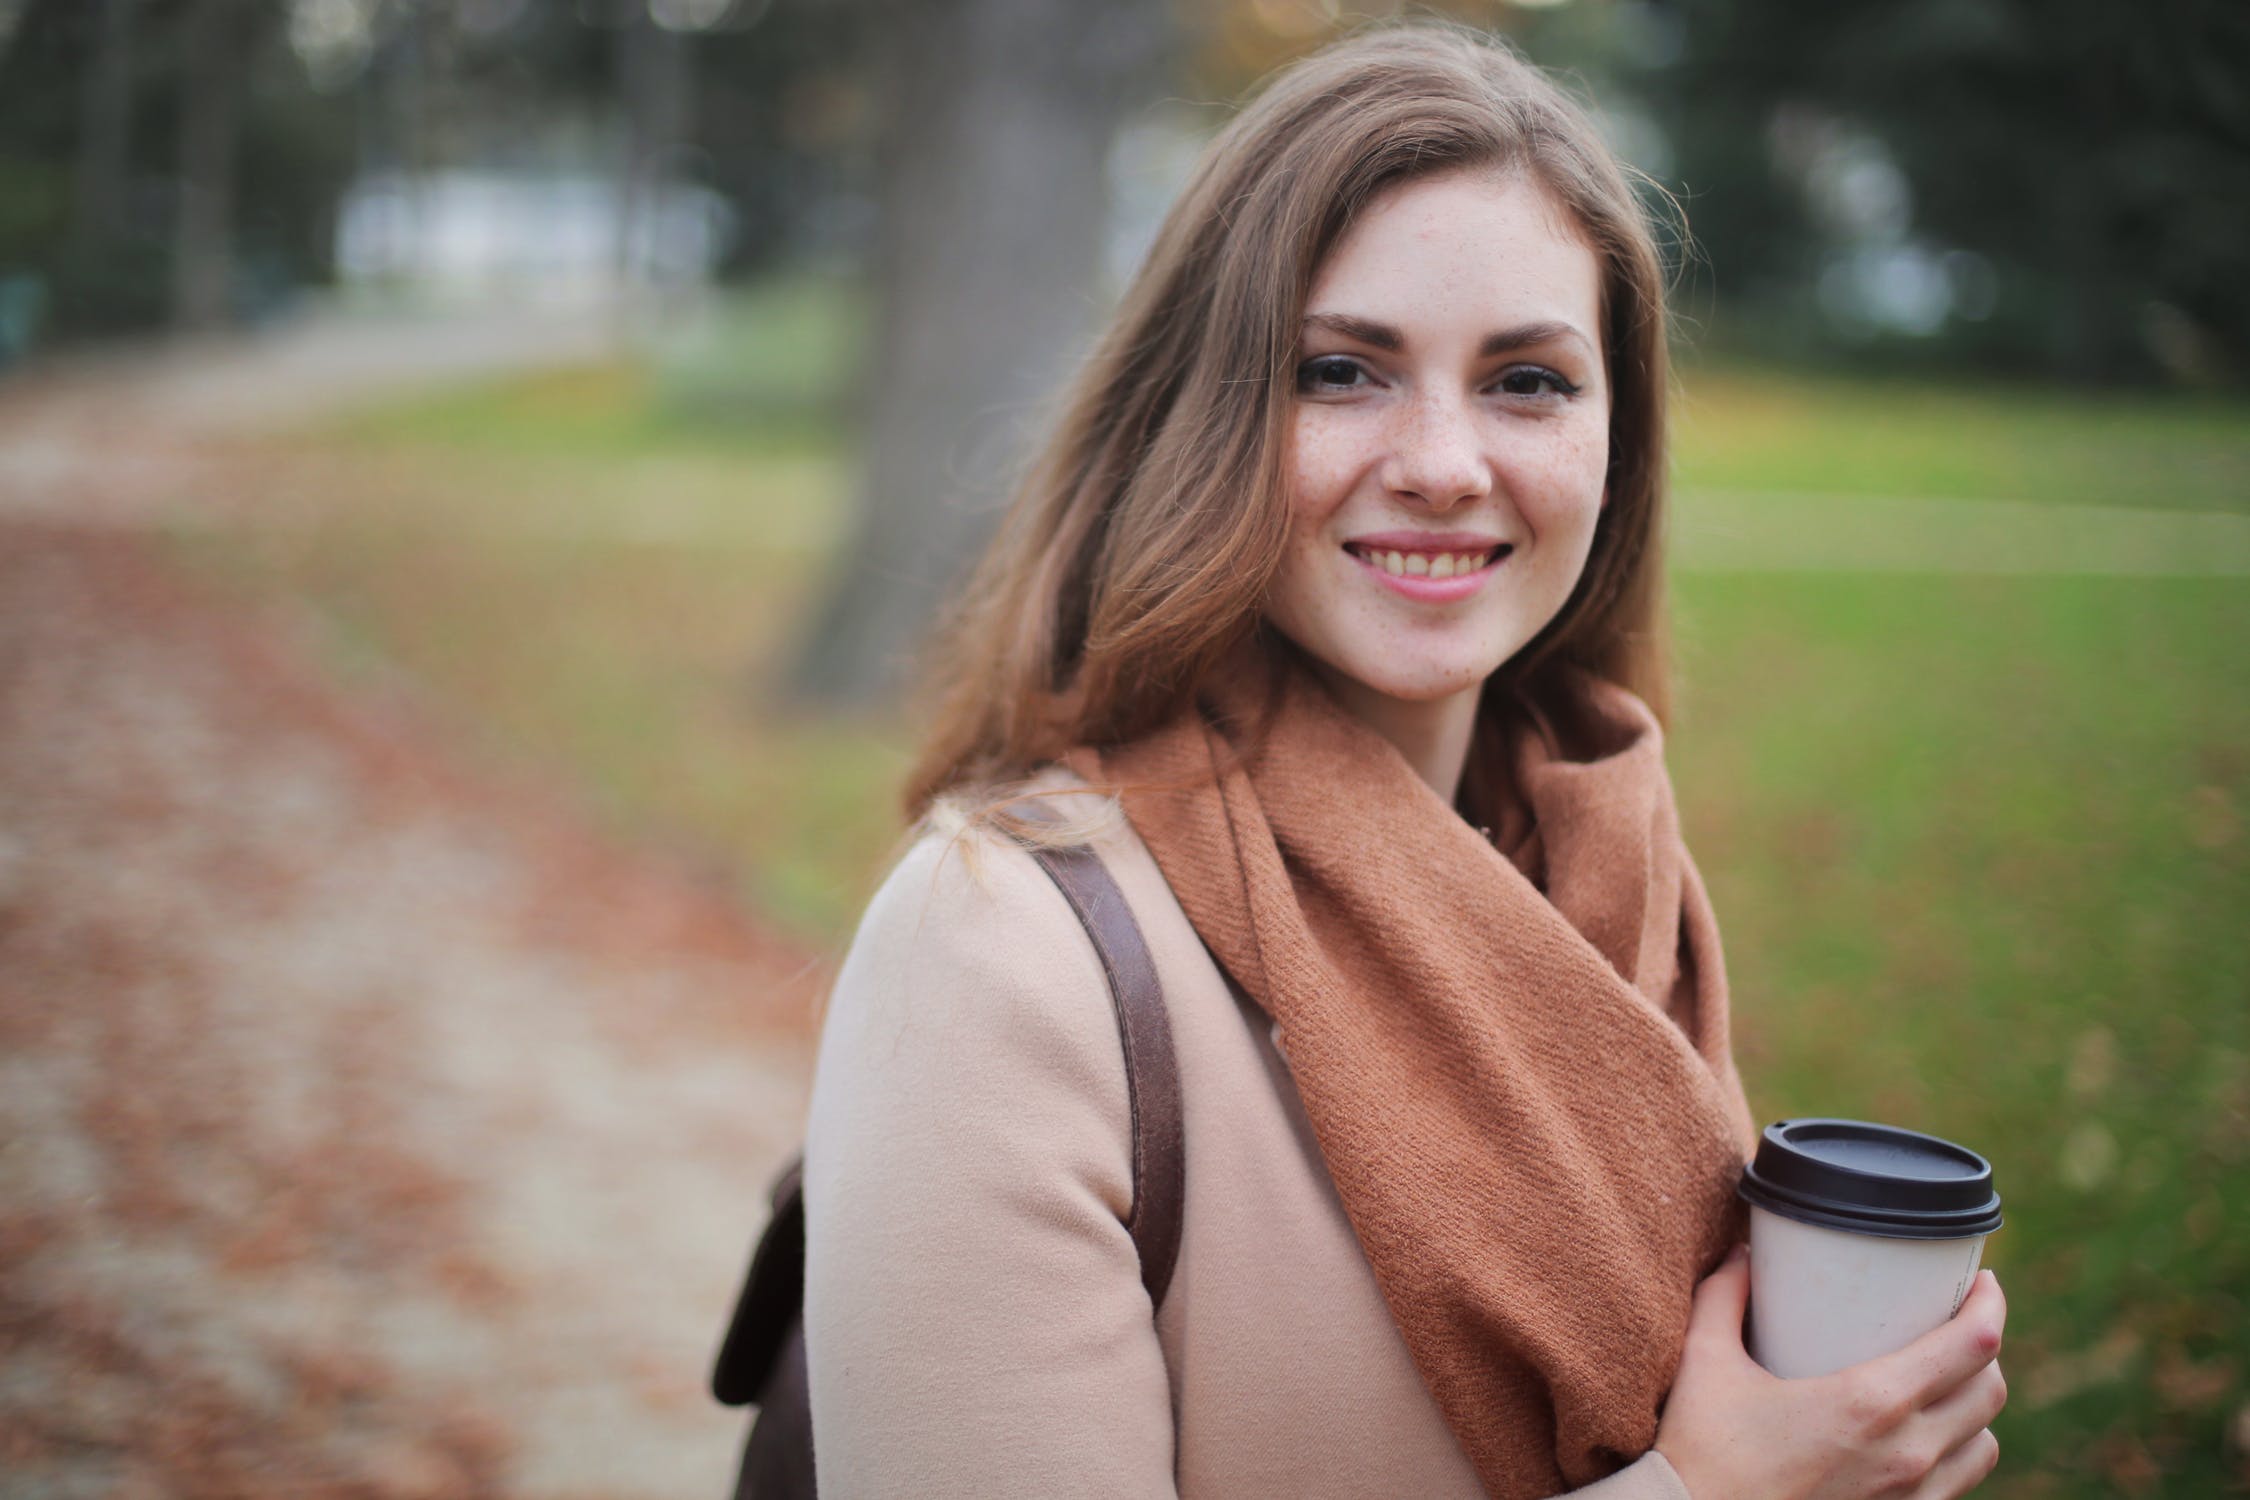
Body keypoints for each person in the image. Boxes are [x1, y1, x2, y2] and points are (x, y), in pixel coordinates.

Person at [797, 23, 2008, 1500]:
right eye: (1340, 370)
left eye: (1526, 381)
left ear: (1615, 439)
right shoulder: (997, 947)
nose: (1443, 460)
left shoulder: (1606, 873)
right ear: (1207, 413)